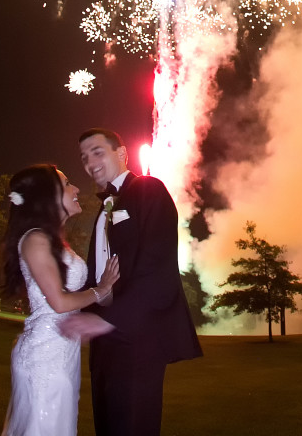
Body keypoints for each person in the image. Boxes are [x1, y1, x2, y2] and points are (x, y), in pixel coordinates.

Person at [60, 129, 202, 436]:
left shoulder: (149, 189)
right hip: (104, 344)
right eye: (84, 157)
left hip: (139, 339)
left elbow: (157, 269)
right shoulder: (104, 208)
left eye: (97, 152)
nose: (89, 162)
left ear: (122, 154)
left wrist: (110, 321)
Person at [2, 163, 120, 436]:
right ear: (47, 195)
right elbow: (58, 302)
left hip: (62, 352)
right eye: (67, 183)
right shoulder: (35, 240)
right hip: (45, 357)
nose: (77, 188)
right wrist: (100, 290)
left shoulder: (54, 240)